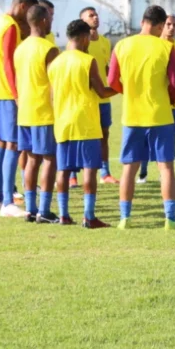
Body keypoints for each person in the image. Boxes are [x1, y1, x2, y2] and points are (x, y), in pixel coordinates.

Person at [108, 5, 175, 230]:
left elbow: (112, 80)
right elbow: (174, 83)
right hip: (160, 115)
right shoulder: (165, 47)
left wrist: (128, 91)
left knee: (129, 169)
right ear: (160, 25)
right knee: (166, 167)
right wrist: (170, 98)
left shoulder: (121, 45)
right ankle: (170, 219)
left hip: (132, 116)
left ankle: (125, 218)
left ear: (142, 21)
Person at [48, 19, 116, 228]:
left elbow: (52, 96)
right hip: (85, 122)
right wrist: (122, 87)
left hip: (63, 122)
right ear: (85, 38)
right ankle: (88, 216)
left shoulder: (55, 63)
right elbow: (102, 91)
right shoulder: (88, 61)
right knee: (89, 169)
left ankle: (64, 214)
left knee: (64, 170)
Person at [0, 0, 37, 218]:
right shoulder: (10, 27)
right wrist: (17, 93)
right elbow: (8, 62)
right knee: (13, 145)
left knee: (1, 144)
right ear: (23, 6)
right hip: (8, 93)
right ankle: (8, 201)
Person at [14, 4, 62, 223]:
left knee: (32, 160)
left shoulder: (20, 48)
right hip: (44, 112)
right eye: (50, 18)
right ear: (43, 21)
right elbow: (55, 84)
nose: (52, 21)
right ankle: (44, 210)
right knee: (50, 160)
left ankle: (31, 208)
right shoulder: (49, 48)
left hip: (24, 112)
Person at [137, 14, 175, 185]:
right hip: (152, 102)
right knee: (145, 138)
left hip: (174, 102)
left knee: (167, 140)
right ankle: (143, 171)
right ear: (161, 26)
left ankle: (164, 173)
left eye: (174, 24)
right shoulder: (153, 46)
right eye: (168, 24)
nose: (171, 27)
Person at [80, 7, 118, 185]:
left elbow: (107, 68)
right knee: (82, 136)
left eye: (96, 15)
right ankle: (73, 175)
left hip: (104, 98)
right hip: (87, 99)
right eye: (91, 15)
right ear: (82, 20)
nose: (95, 18)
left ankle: (105, 173)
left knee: (104, 135)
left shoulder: (104, 41)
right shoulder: (80, 44)